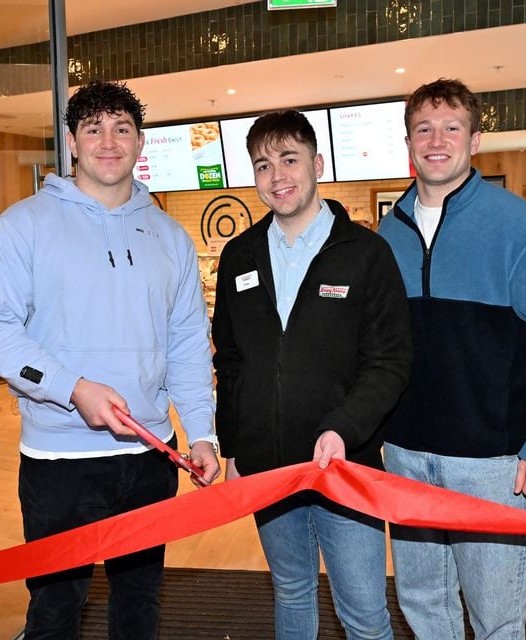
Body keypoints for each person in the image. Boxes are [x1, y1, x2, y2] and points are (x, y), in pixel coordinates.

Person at [0, 79, 220, 640]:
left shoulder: (169, 236)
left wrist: (201, 433)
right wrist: (71, 387)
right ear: (72, 143)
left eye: (122, 128)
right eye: (94, 128)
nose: (109, 141)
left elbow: (187, 344)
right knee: (55, 611)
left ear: (140, 143)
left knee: (139, 604)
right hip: (60, 457)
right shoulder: (24, 225)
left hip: (151, 455)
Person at [377, 78, 526, 640]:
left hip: (492, 461)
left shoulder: (521, 228)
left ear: (475, 138)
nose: (436, 140)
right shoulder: (384, 236)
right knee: (423, 604)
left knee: (496, 614)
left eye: (451, 127)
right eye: (424, 128)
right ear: (409, 142)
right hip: (407, 453)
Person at [212, 110, 412, 640]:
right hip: (268, 466)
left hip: (344, 465)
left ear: (317, 164)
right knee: (293, 591)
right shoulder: (239, 256)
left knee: (365, 612)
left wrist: (344, 427)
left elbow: (390, 360)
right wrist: (233, 447)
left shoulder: (366, 253)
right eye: (263, 164)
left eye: (289, 159)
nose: (277, 175)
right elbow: (229, 360)